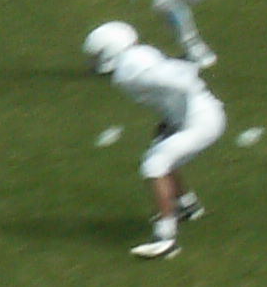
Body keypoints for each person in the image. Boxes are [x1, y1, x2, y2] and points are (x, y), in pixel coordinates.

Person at [84, 24, 225, 260]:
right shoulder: (139, 55)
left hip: (201, 121)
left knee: (154, 163)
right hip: (200, 113)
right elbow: (169, 83)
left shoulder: (128, 71)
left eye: (98, 54)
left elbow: (179, 81)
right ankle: (186, 205)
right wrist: (172, 118)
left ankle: (165, 238)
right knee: (162, 146)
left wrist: (184, 111)